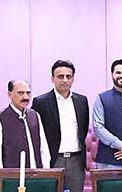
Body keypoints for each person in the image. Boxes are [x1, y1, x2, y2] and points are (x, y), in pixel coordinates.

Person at [31, 60, 89, 192]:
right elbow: (36, 133)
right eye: (60, 76)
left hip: (76, 160)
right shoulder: (41, 102)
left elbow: (83, 129)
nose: (65, 80)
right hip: (53, 159)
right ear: (52, 78)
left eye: (68, 77)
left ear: (73, 79)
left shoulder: (82, 101)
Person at [0, 80, 51, 185]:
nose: (25, 97)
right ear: (9, 94)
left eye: (28, 93)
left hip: (37, 176)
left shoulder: (35, 115)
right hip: (12, 178)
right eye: (20, 93)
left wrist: (46, 173)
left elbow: (43, 148)